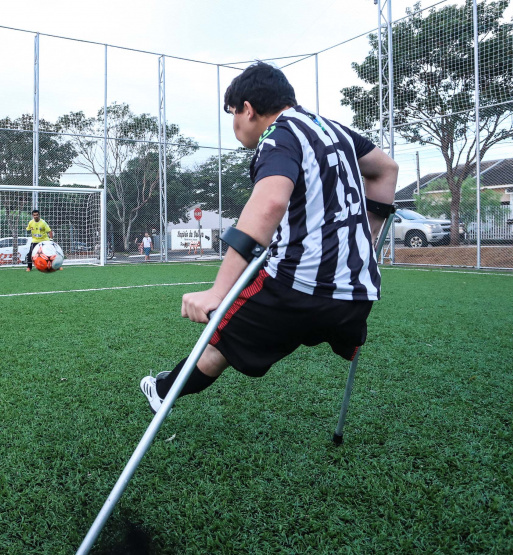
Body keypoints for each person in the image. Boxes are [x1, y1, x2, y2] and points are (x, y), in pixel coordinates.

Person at [140, 61, 398, 414]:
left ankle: (161, 390)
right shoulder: (334, 131)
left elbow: (270, 202)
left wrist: (219, 292)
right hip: (356, 296)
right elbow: (387, 169)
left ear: (248, 108)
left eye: (233, 114)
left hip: (297, 289)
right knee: (265, 331)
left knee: (218, 345)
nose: (234, 125)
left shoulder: (278, 136)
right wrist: (368, 236)